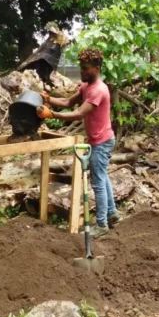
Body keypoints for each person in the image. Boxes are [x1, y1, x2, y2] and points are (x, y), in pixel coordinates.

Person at [36, 48, 119, 238]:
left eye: (86, 68)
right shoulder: (86, 86)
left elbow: (80, 113)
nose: (82, 72)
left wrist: (52, 114)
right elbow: (67, 102)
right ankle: (112, 213)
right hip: (99, 139)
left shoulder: (98, 90)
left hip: (102, 141)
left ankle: (101, 224)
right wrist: (49, 99)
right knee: (102, 176)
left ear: (97, 68)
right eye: (81, 68)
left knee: (97, 182)